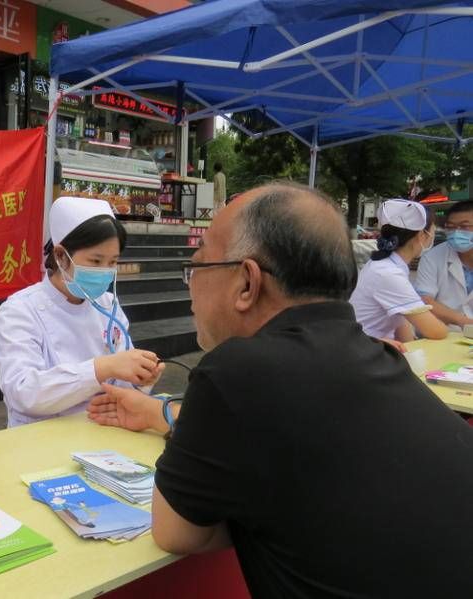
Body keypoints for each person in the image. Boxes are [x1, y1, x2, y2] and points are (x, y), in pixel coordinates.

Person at [88, 183, 473, 598]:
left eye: (198, 267)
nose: (190, 287)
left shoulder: (236, 371)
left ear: (247, 283)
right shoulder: (379, 354)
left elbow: (176, 532)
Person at [0, 196, 164, 427]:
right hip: (39, 439)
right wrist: (102, 367)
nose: (105, 271)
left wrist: (141, 379)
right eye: (95, 261)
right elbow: (23, 393)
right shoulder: (20, 310)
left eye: (113, 262)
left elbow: (122, 384)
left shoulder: (107, 304)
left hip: (102, 430)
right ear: (61, 256)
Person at [349, 199, 447, 341]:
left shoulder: (386, 265)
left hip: (371, 347)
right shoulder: (388, 273)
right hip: (366, 352)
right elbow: (436, 331)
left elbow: (402, 322)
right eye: (433, 230)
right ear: (421, 235)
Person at [415, 200, 473, 327]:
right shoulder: (432, 257)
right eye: (450, 227)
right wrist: (463, 321)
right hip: (446, 332)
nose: (456, 232)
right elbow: (425, 300)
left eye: (464, 226)